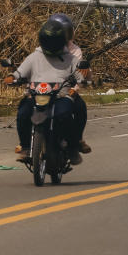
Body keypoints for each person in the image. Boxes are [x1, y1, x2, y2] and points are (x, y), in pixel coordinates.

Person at [6, 18, 86, 164]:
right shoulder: (34, 56)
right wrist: (13, 77)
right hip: (36, 95)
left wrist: (85, 77)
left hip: (61, 96)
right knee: (23, 113)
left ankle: (72, 147)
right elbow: (21, 72)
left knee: (66, 113)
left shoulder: (71, 58)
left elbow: (81, 74)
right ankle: (25, 146)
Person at [48, 13, 91, 155]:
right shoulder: (43, 48)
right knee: (27, 108)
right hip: (44, 88)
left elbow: (79, 72)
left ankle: (78, 139)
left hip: (65, 88)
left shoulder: (75, 50)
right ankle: (26, 142)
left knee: (80, 107)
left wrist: (76, 88)